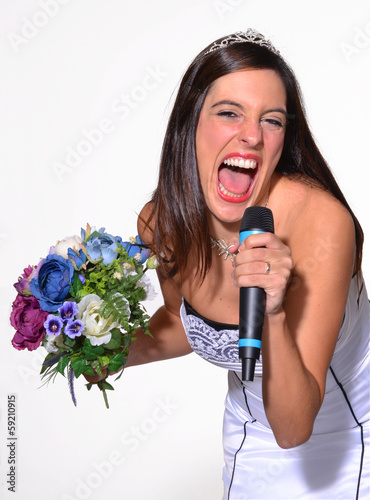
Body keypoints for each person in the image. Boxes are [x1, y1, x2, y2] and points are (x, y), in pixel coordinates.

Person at [126, 30, 370, 499]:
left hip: (348, 431)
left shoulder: (321, 225)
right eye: (229, 113)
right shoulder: (162, 223)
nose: (253, 136)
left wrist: (272, 311)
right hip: (250, 432)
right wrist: (103, 350)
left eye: (272, 121)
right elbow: (183, 323)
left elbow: (295, 426)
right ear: (189, 124)